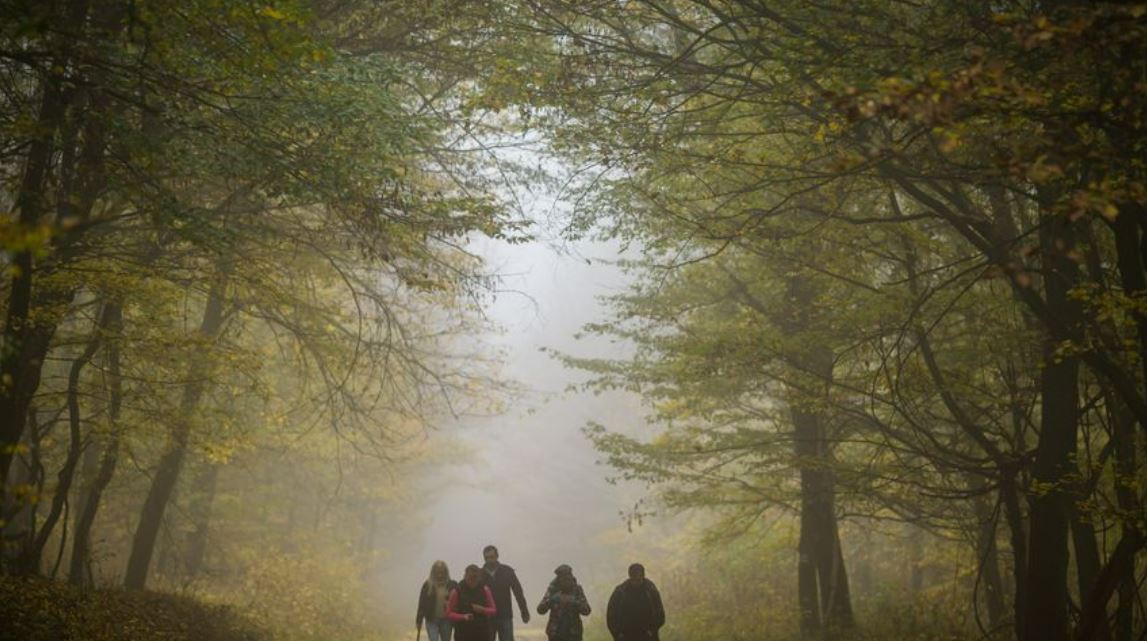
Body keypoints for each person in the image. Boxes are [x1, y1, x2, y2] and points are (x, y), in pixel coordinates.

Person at [481, 544, 530, 641]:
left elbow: (518, 593)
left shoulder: (507, 571)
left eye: (492, 557)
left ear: (497, 556)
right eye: (486, 558)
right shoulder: (479, 574)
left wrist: (524, 611)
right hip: (487, 618)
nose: (489, 560)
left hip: (505, 615)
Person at [605, 563, 665, 641]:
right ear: (630, 576)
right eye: (634, 579)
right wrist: (618, 634)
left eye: (638, 579)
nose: (636, 582)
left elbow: (660, 614)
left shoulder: (651, 590)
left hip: (647, 636)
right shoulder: (620, 592)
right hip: (626, 636)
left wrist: (651, 630)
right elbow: (611, 616)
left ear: (643, 576)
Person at [536, 564, 591, 641]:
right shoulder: (553, 590)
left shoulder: (577, 589)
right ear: (559, 579)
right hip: (555, 634)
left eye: (568, 578)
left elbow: (587, 610)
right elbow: (540, 610)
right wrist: (552, 600)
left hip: (574, 634)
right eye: (563, 579)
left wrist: (574, 602)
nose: (566, 581)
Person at [447, 564, 497, 641]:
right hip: (462, 632)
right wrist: (463, 617)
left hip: (482, 632)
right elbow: (449, 613)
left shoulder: (485, 589)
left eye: (475, 578)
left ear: (479, 577)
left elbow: (493, 610)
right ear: (465, 575)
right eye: (470, 577)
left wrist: (482, 610)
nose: (473, 580)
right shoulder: (456, 591)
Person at [417, 560, 458, 641]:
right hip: (431, 620)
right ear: (433, 572)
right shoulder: (428, 585)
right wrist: (419, 620)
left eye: (442, 571)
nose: (440, 574)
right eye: (437, 571)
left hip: (447, 620)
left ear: (445, 572)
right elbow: (421, 604)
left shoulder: (452, 584)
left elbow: (457, 602)